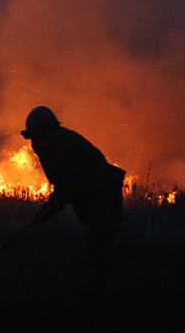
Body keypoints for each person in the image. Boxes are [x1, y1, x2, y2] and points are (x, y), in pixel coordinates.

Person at [21, 106, 125, 281]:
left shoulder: (58, 145)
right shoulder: (62, 139)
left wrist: (52, 205)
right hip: (100, 194)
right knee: (99, 249)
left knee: (99, 250)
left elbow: (67, 180)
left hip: (102, 195)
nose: (33, 144)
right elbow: (69, 183)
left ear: (42, 132)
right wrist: (51, 205)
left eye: (34, 137)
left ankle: (101, 291)